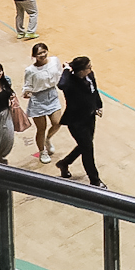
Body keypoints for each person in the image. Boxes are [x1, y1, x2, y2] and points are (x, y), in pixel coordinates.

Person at [57, 56, 105, 188]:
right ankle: (94, 180)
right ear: (80, 71)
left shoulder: (90, 75)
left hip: (89, 116)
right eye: (88, 68)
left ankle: (64, 163)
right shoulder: (70, 83)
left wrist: (98, 105)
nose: (91, 69)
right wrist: (66, 70)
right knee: (88, 149)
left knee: (86, 145)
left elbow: (94, 90)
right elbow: (61, 85)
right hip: (76, 121)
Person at [22, 42, 65, 164]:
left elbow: (60, 74)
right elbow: (27, 86)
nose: (42, 55)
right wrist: (27, 93)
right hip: (38, 99)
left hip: (52, 95)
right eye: (39, 53)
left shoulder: (54, 61)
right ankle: (42, 151)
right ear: (34, 56)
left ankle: (48, 139)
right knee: (41, 128)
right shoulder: (30, 70)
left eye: (44, 51)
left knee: (57, 122)